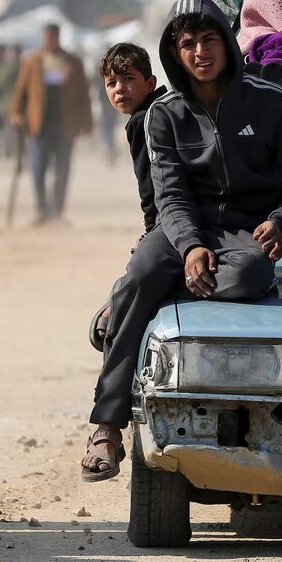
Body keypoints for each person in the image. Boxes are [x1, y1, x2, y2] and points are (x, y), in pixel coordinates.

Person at [81, 0, 282, 481]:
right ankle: (106, 426)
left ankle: (127, 306)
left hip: (244, 231)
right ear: (175, 52)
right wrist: (189, 247)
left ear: (227, 43)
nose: (199, 52)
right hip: (180, 226)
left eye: (208, 39)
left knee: (250, 273)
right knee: (142, 272)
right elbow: (169, 194)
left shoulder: (271, 102)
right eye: (187, 44)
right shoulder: (162, 114)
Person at [87, 41, 168, 350]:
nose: (120, 89)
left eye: (128, 79)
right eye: (112, 83)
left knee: (140, 272)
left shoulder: (143, 121)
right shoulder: (155, 110)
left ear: (150, 83)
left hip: (170, 220)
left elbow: (152, 188)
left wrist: (152, 232)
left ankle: (113, 315)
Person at [10, 24, 94, 223]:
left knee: (62, 171)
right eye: (47, 38)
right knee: (38, 170)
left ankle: (57, 212)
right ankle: (42, 210)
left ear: (58, 38)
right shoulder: (32, 62)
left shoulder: (73, 62)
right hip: (39, 125)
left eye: (53, 38)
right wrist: (16, 113)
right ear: (43, 38)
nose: (50, 42)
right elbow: (21, 91)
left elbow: (83, 95)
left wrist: (87, 124)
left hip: (65, 125)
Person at [0, 45, 20, 162]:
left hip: (8, 105)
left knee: (10, 132)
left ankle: (12, 154)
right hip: (9, 106)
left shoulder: (6, 69)